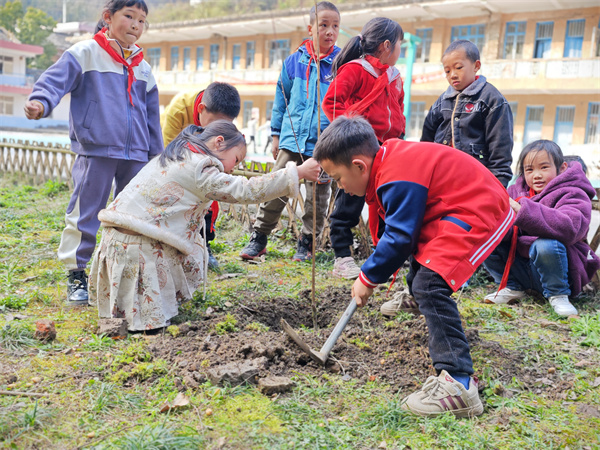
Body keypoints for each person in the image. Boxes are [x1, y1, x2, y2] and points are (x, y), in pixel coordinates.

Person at [313, 115, 515, 418]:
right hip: (454, 206)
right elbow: (401, 235)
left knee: (431, 284)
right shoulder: (389, 165)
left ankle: (458, 384)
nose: (340, 186)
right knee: (424, 270)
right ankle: (416, 298)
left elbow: (400, 238)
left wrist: (367, 278)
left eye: (338, 177)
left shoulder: (397, 174)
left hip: (479, 208)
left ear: (359, 166)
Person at [89, 121, 321, 331]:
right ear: (219, 142)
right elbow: (246, 190)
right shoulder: (200, 169)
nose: (232, 168)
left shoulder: (182, 152)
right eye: (236, 159)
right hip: (135, 243)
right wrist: (297, 172)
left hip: (119, 238)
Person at [24, 0, 161, 306]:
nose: (136, 25)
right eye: (129, 16)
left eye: (142, 21)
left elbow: (152, 117)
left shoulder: (144, 68)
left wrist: (157, 156)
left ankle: (127, 273)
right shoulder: (86, 52)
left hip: (137, 153)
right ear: (108, 18)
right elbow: (54, 80)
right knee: (86, 212)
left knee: (133, 216)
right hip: (95, 148)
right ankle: (77, 274)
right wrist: (41, 101)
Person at [239, 1, 341, 263]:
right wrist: (275, 135)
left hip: (324, 142)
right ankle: (260, 237)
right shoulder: (293, 62)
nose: (330, 31)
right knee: (278, 185)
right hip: (291, 140)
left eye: (335, 26)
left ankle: (307, 242)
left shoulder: (341, 63)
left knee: (318, 196)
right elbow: (281, 99)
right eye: (324, 25)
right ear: (310, 28)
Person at [322, 17, 406, 279]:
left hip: (387, 150)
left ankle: (385, 255)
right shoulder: (355, 70)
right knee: (349, 201)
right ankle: (342, 257)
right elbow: (331, 103)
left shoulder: (395, 77)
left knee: (386, 203)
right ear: (386, 45)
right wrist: (353, 134)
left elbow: (398, 111)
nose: (400, 50)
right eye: (400, 44)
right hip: (360, 150)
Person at [483, 140, 600, 317]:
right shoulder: (516, 191)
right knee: (488, 237)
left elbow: (570, 227)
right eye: (529, 170)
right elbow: (505, 230)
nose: (536, 175)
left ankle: (558, 294)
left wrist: (522, 211)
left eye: (544, 167)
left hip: (560, 271)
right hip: (524, 270)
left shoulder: (573, 192)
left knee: (545, 244)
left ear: (561, 168)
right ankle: (512, 287)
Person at [161, 82, 241, 271]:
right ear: (201, 109)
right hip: (176, 158)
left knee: (210, 197)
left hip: (204, 162)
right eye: (216, 124)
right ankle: (172, 244)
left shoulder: (222, 121)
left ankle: (205, 245)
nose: (219, 129)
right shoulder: (178, 110)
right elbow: (170, 155)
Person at [421, 39, 513, 187]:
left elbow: (500, 151)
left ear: (476, 66)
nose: (453, 75)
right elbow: (426, 140)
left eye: (458, 67)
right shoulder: (442, 101)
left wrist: (497, 187)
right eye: (447, 71)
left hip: (474, 181)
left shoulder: (492, 99)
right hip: (441, 178)